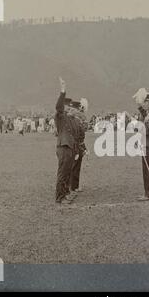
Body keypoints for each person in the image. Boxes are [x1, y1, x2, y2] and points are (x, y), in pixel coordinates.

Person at [55, 77, 78, 205]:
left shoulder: (69, 119)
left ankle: (65, 194)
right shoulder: (60, 116)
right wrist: (63, 91)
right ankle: (60, 197)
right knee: (63, 173)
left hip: (69, 148)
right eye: (67, 107)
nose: (70, 109)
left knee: (67, 172)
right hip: (63, 147)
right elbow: (58, 107)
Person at [69, 100, 88, 195]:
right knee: (74, 166)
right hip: (74, 146)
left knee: (77, 166)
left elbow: (81, 136)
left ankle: (75, 186)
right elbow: (76, 136)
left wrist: (84, 148)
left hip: (79, 145)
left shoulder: (78, 120)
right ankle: (71, 186)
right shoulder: (74, 121)